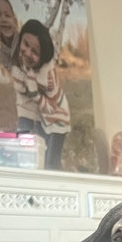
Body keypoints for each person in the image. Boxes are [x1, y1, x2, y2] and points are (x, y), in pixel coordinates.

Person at [11, 19, 71, 169]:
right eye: (25, 44)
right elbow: (20, 88)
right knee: (29, 156)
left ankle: (59, 187)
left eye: (35, 52)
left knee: (50, 161)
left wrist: (34, 92)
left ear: (43, 57)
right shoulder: (20, 65)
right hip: (36, 114)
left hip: (57, 118)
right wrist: (26, 84)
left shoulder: (48, 77)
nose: (27, 53)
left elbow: (51, 107)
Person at [0, 0, 19, 72]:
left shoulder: (25, 44)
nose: (3, 19)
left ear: (15, 20)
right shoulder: (1, 55)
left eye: (7, 15)